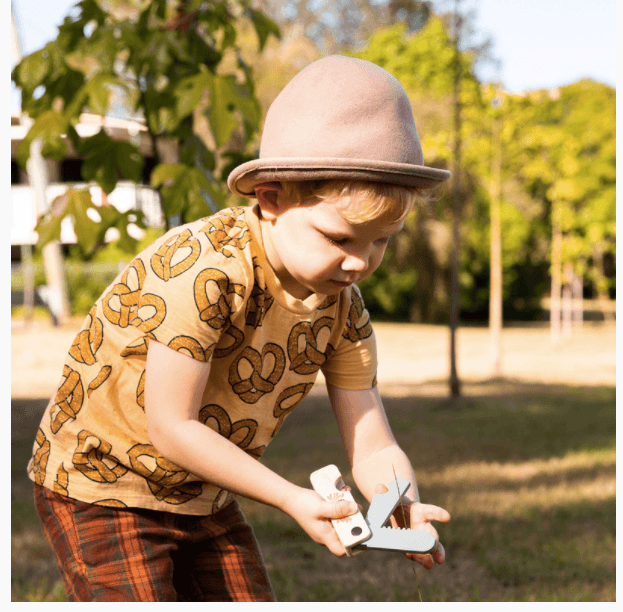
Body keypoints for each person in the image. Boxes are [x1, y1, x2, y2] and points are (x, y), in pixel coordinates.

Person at [28, 55, 452, 602]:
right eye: (341, 239)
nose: (361, 263)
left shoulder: (343, 308)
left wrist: (398, 500)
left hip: (202, 490)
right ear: (271, 199)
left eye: (382, 240)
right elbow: (173, 427)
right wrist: (291, 498)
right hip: (102, 483)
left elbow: (372, 443)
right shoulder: (204, 271)